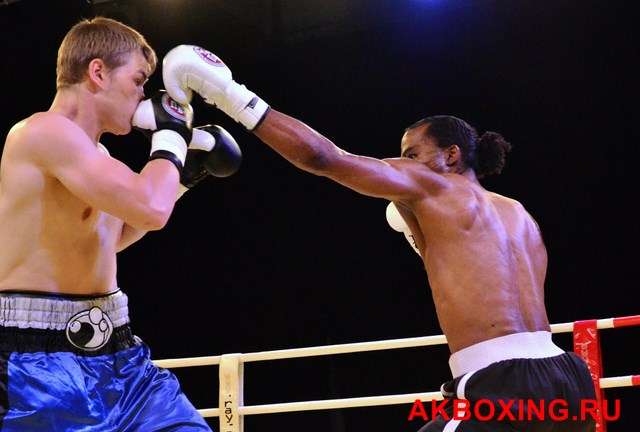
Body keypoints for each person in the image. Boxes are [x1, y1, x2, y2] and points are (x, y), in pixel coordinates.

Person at [160, 45, 597, 431]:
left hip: (502, 383)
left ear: (450, 155)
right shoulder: (519, 214)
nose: (401, 165)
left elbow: (324, 158)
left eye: (411, 154)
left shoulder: (432, 184)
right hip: (567, 378)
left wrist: (229, 95)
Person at [0, 20, 240, 430]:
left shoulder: (98, 155)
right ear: (97, 73)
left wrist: (180, 182)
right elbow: (150, 208)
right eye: (137, 80)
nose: (143, 95)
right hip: (39, 362)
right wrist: (173, 137)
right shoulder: (42, 132)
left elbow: (114, 238)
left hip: (119, 352)